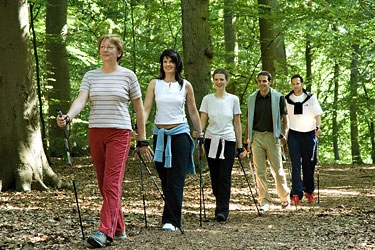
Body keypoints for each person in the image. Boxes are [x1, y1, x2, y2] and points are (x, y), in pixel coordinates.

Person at [56, 34, 153, 248]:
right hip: (96, 131)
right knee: (103, 184)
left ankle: (104, 231)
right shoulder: (91, 76)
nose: (105, 50)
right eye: (102, 46)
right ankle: (119, 228)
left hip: (120, 132)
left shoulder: (128, 76)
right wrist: (68, 117)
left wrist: (142, 139)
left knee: (111, 183)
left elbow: (138, 109)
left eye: (110, 47)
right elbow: (81, 99)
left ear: (119, 52)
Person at [143, 49, 202, 231]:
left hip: (180, 135)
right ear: (162, 64)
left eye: (172, 61)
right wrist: (140, 133)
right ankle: (170, 214)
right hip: (160, 135)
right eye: (165, 61)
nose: (168, 64)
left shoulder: (185, 85)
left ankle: (171, 220)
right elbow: (146, 109)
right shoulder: (155, 84)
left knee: (176, 178)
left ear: (178, 64)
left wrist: (200, 132)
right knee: (164, 177)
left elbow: (192, 111)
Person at [198, 68, 244, 222]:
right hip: (212, 139)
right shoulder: (207, 99)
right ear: (213, 80)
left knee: (225, 175)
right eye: (216, 79)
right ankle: (220, 202)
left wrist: (240, 145)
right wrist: (199, 134)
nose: (219, 82)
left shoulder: (233, 99)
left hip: (228, 141)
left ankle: (222, 210)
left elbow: (237, 123)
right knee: (215, 175)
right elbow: (203, 119)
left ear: (226, 81)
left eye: (221, 79)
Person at [245, 71, 290, 212]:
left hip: (273, 136)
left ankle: (284, 198)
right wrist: (247, 140)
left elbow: (285, 118)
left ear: (269, 82)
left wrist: (285, 135)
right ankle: (264, 200)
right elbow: (248, 120)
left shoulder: (278, 97)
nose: (262, 84)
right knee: (260, 171)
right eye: (259, 81)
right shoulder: (252, 98)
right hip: (256, 136)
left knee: (277, 170)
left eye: (264, 81)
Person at [285, 74, 323, 205]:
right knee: (296, 165)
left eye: (297, 83)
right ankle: (296, 193)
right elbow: (285, 119)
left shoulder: (310, 98)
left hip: (309, 134)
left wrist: (318, 128)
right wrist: (284, 135)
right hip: (294, 134)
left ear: (302, 83)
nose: (295, 86)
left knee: (309, 164)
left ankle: (309, 191)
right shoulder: (287, 99)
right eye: (293, 84)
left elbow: (317, 115)